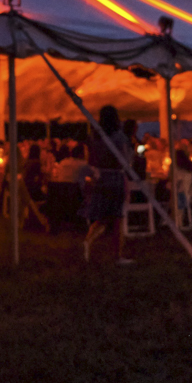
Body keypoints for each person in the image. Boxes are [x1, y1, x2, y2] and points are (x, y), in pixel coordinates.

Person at [83, 105, 133, 265]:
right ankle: (117, 255)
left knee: (102, 216)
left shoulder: (95, 137)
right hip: (116, 177)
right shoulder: (119, 137)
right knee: (118, 218)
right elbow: (126, 160)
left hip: (101, 177)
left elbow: (90, 159)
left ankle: (88, 240)